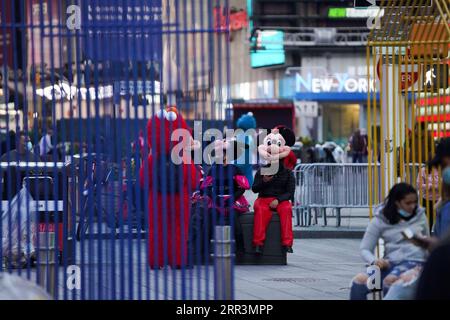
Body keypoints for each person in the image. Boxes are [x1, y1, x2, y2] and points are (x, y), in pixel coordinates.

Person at [349, 183, 429, 300]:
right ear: (397, 202)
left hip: (415, 263)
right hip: (389, 264)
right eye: (408, 203)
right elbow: (365, 248)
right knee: (359, 281)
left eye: (415, 202)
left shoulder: (420, 216)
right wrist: (375, 261)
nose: (413, 206)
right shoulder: (381, 218)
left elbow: (428, 244)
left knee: (390, 280)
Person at [189, 138, 250, 264]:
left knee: (236, 224)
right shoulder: (213, 169)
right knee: (208, 223)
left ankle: (241, 252)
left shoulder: (235, 169)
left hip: (234, 201)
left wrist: (232, 198)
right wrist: (215, 197)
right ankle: (202, 253)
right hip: (216, 201)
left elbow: (242, 188)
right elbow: (205, 188)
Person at [252, 125, 296, 254]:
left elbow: (290, 192)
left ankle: (287, 243)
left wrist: (278, 200)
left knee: (286, 208)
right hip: (264, 198)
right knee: (260, 209)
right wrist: (264, 182)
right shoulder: (262, 170)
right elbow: (254, 189)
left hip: (280, 200)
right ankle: (258, 243)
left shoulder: (288, 173)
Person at [416, 166, 440, 231]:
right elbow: (419, 185)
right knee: (428, 221)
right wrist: (431, 186)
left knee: (441, 220)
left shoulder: (443, 169)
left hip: (441, 200)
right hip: (426, 199)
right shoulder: (423, 170)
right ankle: (427, 236)